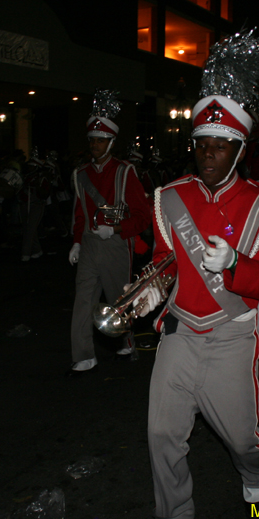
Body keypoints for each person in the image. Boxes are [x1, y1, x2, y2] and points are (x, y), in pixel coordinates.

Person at [135, 30, 259, 519]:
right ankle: (174, 514)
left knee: (239, 437)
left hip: (232, 337)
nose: (208, 154)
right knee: (161, 433)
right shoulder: (168, 197)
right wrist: (150, 290)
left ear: (239, 150)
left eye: (220, 146)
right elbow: (166, 260)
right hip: (179, 332)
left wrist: (232, 264)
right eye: (201, 144)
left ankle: (258, 471)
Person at [66, 89, 151, 376]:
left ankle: (126, 341)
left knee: (118, 299)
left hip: (116, 243)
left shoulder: (126, 172)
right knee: (83, 300)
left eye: (101, 141)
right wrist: (77, 242)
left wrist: (115, 228)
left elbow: (143, 217)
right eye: (92, 140)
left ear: (112, 142)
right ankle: (84, 355)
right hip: (90, 243)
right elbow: (79, 214)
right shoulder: (80, 174)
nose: (96, 146)